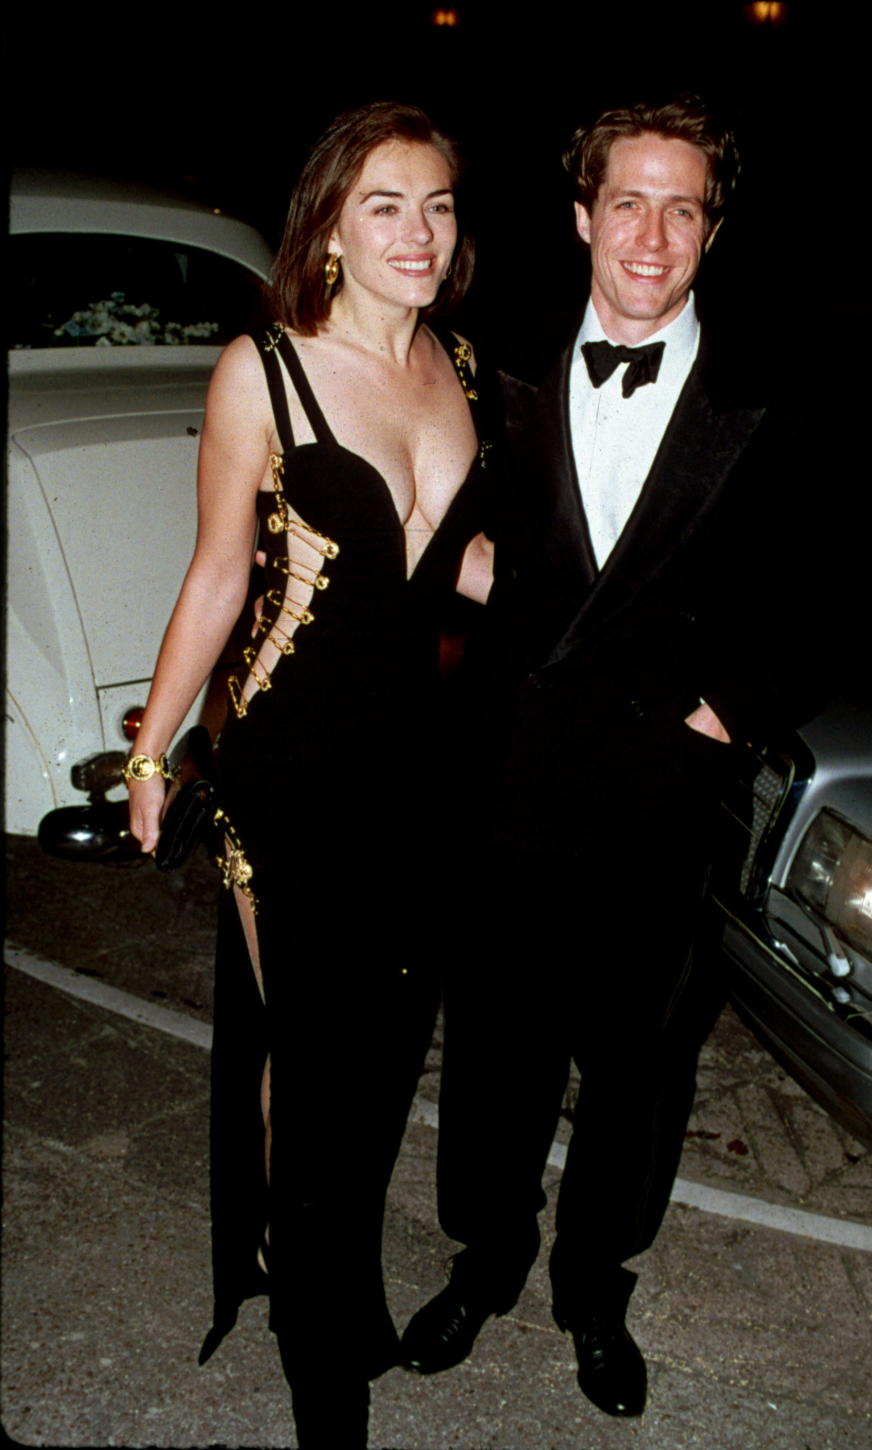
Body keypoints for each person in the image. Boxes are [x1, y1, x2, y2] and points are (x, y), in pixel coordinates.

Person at [399, 91, 865, 1421]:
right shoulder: (497, 357)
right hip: (511, 779)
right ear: (580, 215)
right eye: (627, 203)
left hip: (665, 793)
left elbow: (840, 583)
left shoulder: (777, 391)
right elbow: (419, 504)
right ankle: (484, 1260)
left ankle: (593, 1286)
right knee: (492, 1053)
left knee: (635, 1070)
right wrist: (459, 575)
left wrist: (731, 709)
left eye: (683, 208)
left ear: (712, 230)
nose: (651, 236)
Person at [126, 101, 492, 1449]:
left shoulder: (459, 361)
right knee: (326, 1066)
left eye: (440, 203)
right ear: (331, 224)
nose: (417, 230)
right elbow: (220, 574)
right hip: (290, 771)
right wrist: (152, 749)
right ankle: (314, 1340)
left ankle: (314, 1259)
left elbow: (448, 557)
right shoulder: (262, 370)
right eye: (386, 203)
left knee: (372, 1058)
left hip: (423, 770)